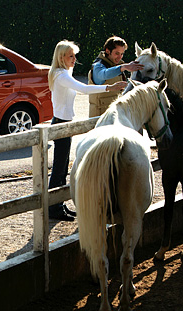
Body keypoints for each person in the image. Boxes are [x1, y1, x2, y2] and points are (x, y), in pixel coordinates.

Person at [48, 40, 127, 221]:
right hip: (60, 123)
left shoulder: (64, 72)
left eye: (74, 56)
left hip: (65, 122)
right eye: (71, 56)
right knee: (59, 167)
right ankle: (53, 207)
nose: (75, 59)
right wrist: (110, 87)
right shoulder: (61, 75)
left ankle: (58, 205)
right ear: (61, 58)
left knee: (63, 165)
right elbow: (83, 88)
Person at [88, 36, 144, 117]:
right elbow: (103, 74)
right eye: (117, 53)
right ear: (107, 51)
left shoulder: (118, 65)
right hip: (99, 118)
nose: (120, 57)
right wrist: (123, 67)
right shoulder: (98, 66)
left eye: (122, 53)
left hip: (114, 115)